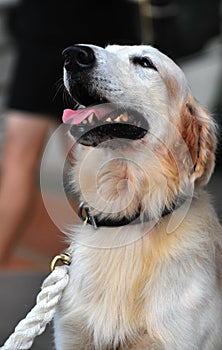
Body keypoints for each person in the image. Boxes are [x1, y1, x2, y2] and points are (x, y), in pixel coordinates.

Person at [0, 0, 141, 265]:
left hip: (46, 28)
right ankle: (122, 275)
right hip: (102, 32)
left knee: (21, 163)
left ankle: (118, 274)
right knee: (98, 169)